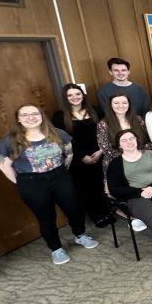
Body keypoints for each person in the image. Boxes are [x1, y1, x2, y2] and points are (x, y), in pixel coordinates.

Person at [0, 104, 98, 265]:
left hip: (60, 176)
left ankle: (80, 235)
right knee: (46, 217)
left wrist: (60, 171)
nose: (30, 117)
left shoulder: (58, 134)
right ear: (18, 119)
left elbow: (69, 154)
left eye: (34, 114)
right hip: (31, 182)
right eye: (25, 115)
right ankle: (56, 249)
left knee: (75, 209)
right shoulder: (9, 140)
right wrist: (21, 182)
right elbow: (4, 165)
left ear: (41, 116)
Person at [52, 83, 112, 228]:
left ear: (82, 95)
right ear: (65, 98)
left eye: (77, 94)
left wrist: (100, 151)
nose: (75, 97)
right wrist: (81, 156)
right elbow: (61, 140)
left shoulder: (97, 111)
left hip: (99, 154)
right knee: (85, 189)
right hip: (77, 159)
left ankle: (107, 212)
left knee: (101, 185)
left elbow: (106, 132)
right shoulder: (59, 116)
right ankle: (96, 215)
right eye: (70, 95)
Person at [97, 93, 151, 179]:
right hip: (117, 164)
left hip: (141, 161)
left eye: (124, 103)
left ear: (129, 104)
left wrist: (138, 157)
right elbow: (106, 148)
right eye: (116, 103)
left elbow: (147, 141)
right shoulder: (103, 124)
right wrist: (130, 159)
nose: (121, 105)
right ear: (110, 105)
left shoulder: (138, 120)